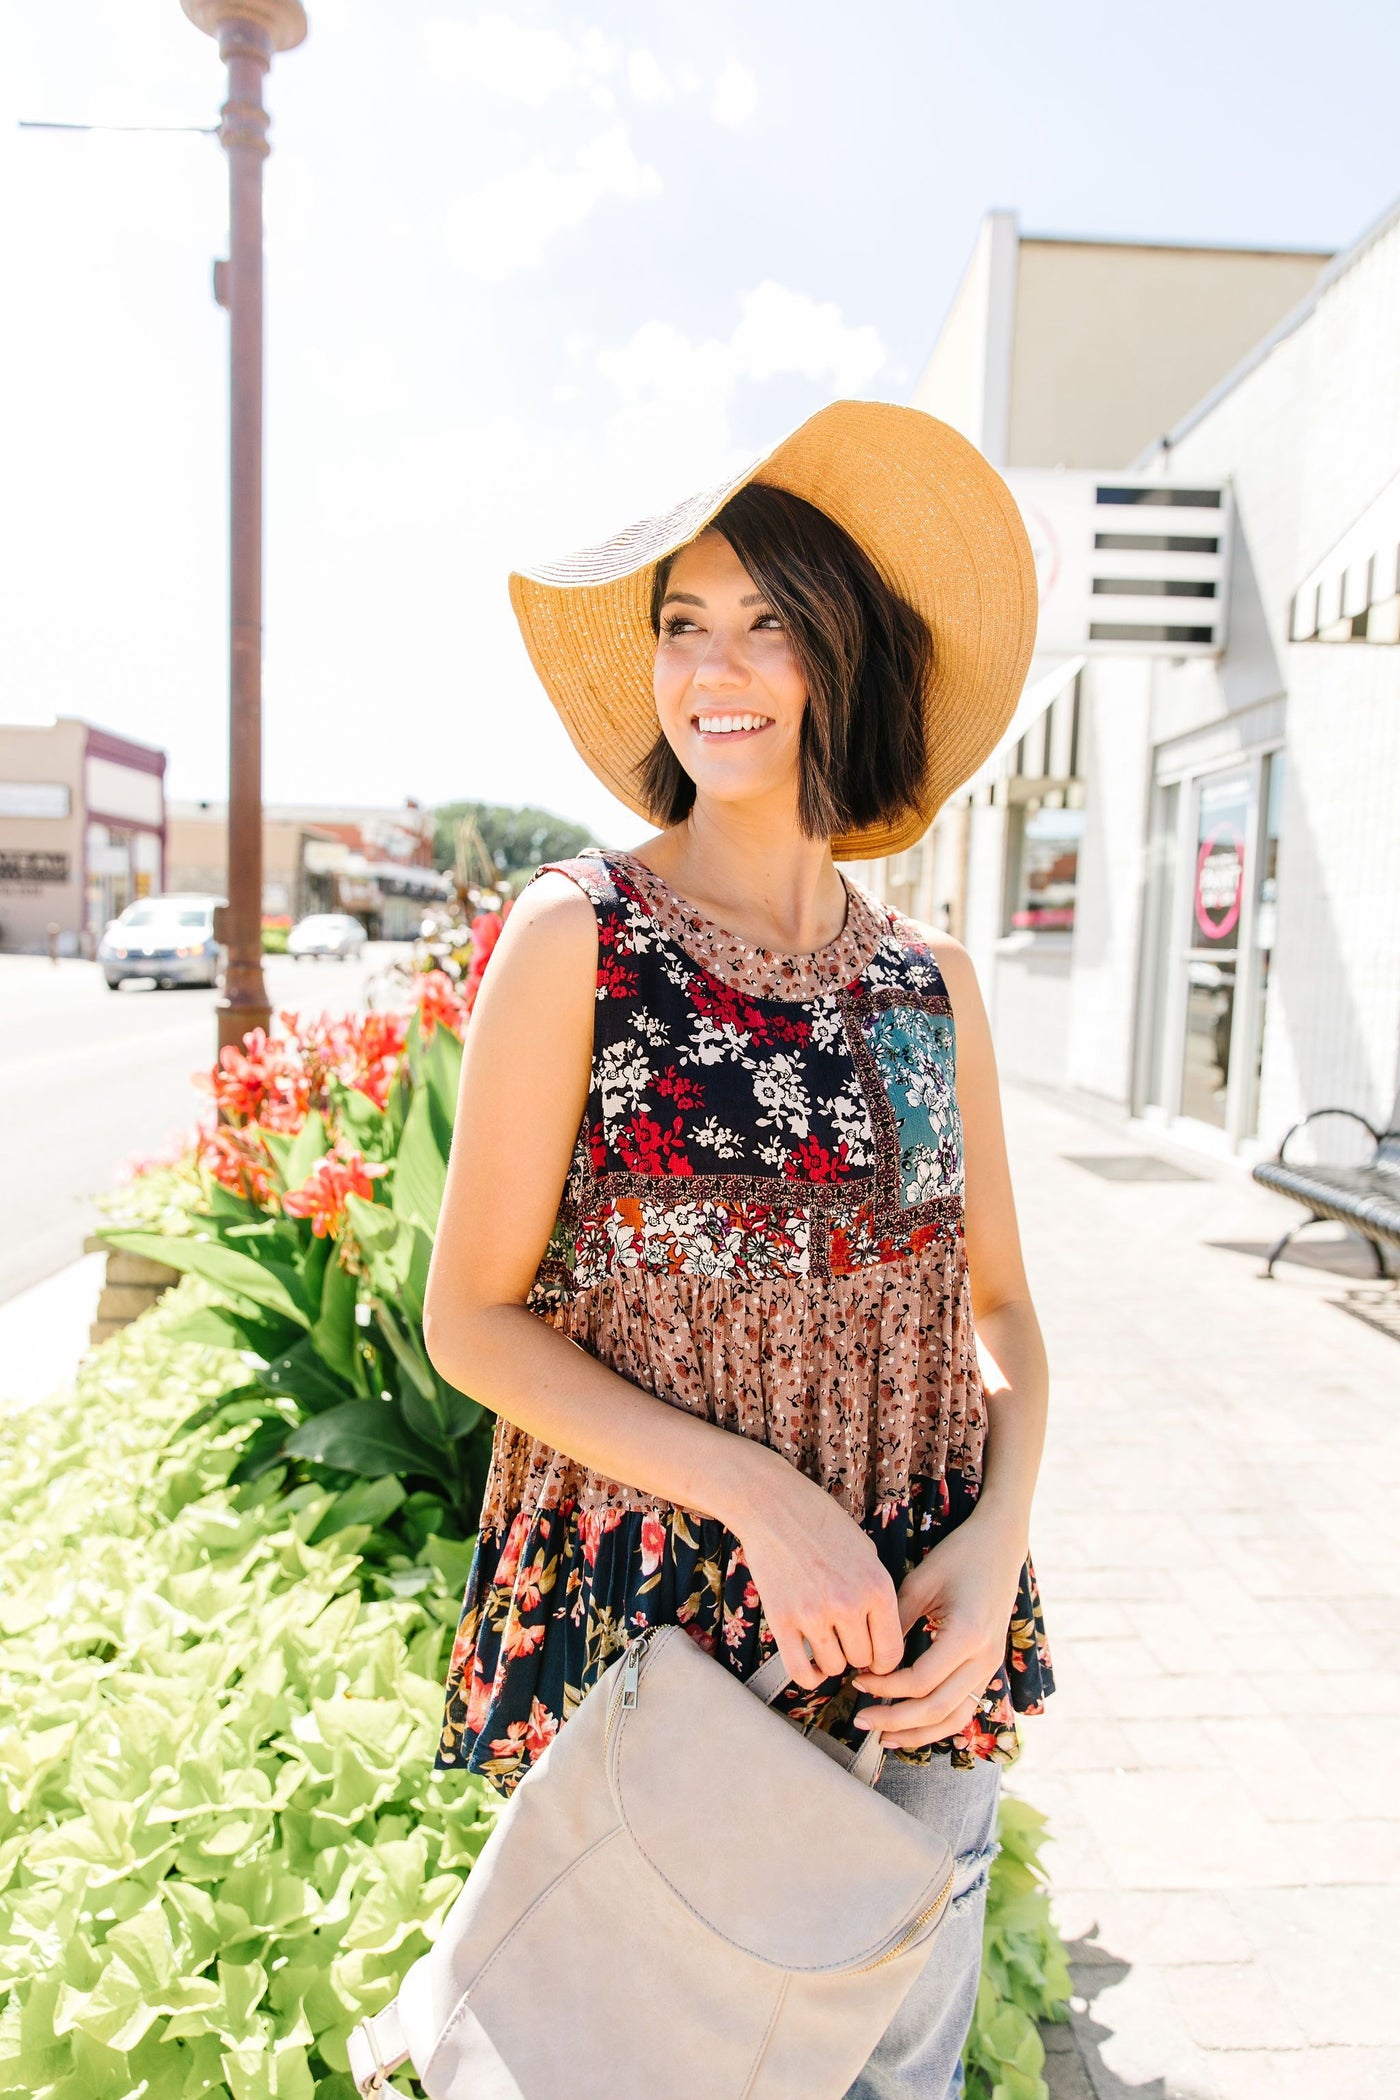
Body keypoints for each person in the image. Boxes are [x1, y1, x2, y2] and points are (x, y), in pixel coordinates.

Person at [422, 399, 1054, 2099]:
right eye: (684, 625)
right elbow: (470, 1321)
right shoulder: (582, 939)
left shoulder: (929, 987)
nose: (719, 667)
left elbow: (994, 1308)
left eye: (767, 620)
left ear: (840, 653)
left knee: (892, 2076)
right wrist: (762, 1498)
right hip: (664, 1635)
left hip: (920, 1651)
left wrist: (998, 1543)